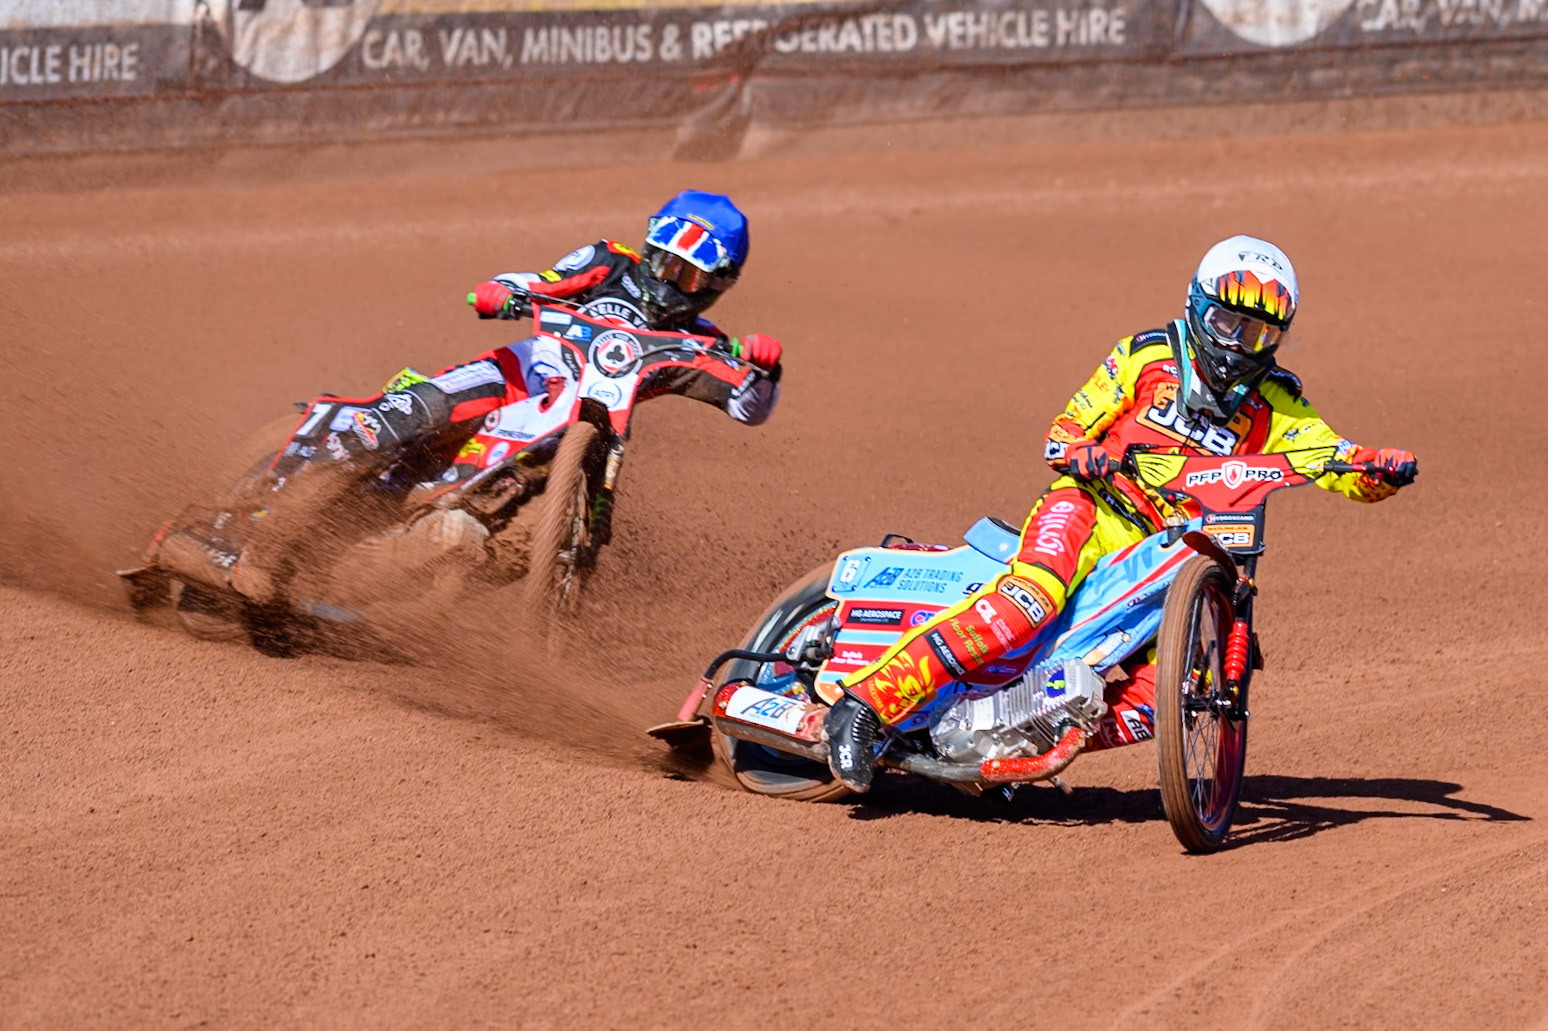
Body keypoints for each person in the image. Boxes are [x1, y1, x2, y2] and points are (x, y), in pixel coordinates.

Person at [823, 234, 1419, 792]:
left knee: (1171, 696)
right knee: (1025, 605)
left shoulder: (1278, 401)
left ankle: (1021, 737)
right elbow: (1063, 435)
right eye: (1227, 322)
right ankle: (863, 708)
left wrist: (1379, 468)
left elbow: (1334, 459)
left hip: (1176, 552)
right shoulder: (1146, 357)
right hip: (1091, 512)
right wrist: (1089, 455)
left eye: (1258, 333)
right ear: (1196, 308)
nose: (1238, 345)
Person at [223, 189, 783, 603]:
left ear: (717, 285)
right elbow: (541, 281)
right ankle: (266, 550)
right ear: (649, 246)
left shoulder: (699, 342)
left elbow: (747, 407)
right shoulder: (609, 262)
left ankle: (370, 595)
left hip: (576, 440)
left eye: (688, 277)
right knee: (405, 418)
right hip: (516, 377)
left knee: (502, 548)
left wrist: (764, 367)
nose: (669, 279)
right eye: (665, 261)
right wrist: (505, 292)